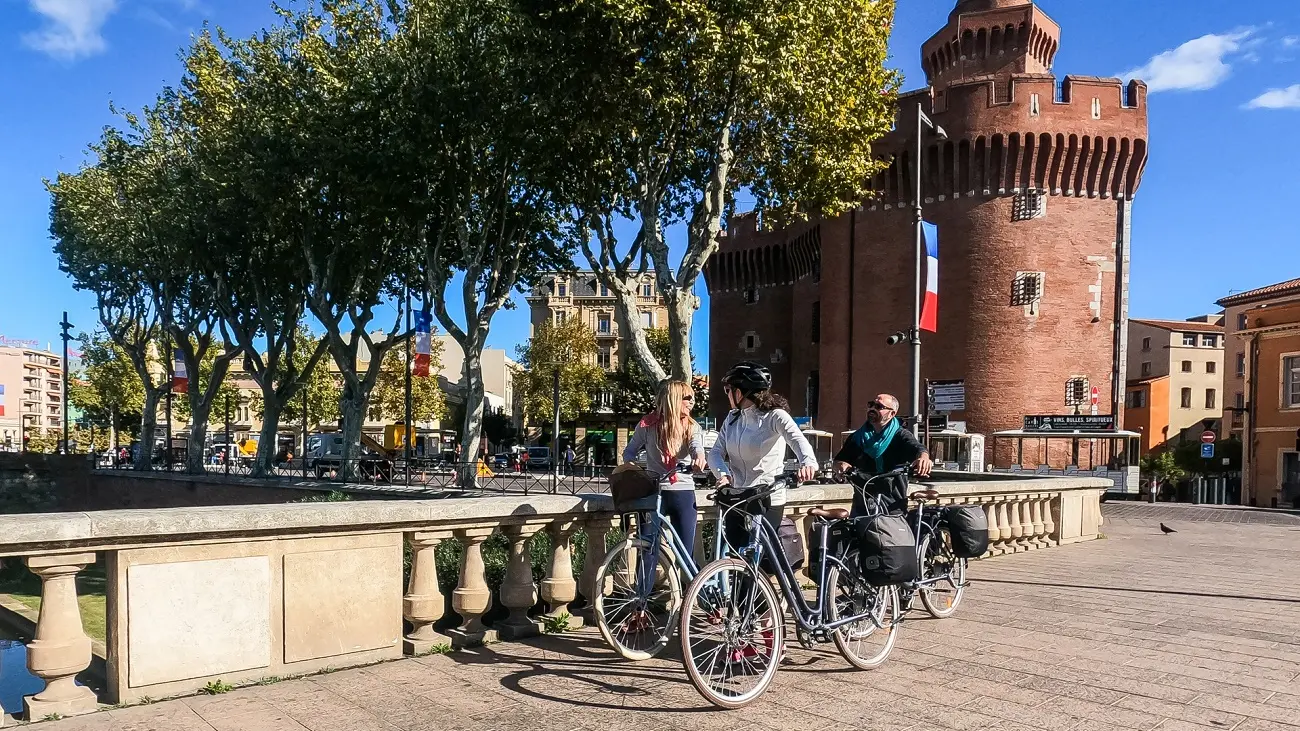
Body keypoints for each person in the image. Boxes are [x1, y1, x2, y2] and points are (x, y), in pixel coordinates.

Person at [708, 361, 818, 549]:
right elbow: (716, 452)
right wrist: (723, 474)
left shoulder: (775, 416)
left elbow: (798, 440)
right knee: (735, 556)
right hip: (738, 495)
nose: (726, 395)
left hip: (767, 497)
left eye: (728, 390)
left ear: (740, 392)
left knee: (756, 555)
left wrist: (807, 463)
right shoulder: (732, 419)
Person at [622, 379, 707, 550]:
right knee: (647, 550)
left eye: (693, 398)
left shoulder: (691, 427)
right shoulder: (647, 425)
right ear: (674, 399)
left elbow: (695, 445)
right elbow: (629, 451)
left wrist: (699, 456)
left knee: (685, 551)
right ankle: (645, 578)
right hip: (653, 492)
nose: (692, 402)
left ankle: (690, 577)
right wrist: (632, 467)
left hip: (682, 492)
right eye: (687, 397)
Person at [834, 393, 934, 516]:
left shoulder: (900, 435)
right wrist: (841, 466)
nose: (872, 409)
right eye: (871, 405)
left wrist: (923, 458)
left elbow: (917, 448)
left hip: (892, 503)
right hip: (863, 501)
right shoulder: (857, 437)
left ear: (892, 414)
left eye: (879, 406)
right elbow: (840, 460)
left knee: (891, 533)